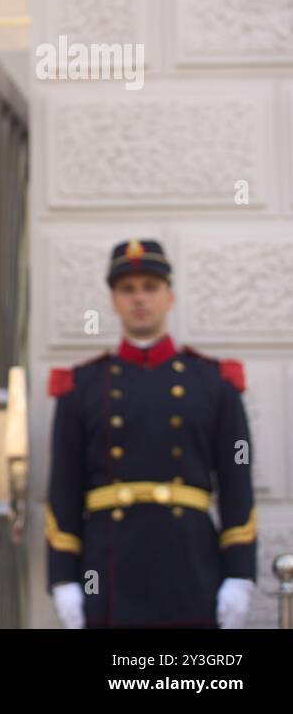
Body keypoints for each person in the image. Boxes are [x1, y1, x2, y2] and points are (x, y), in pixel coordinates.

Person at [46, 239, 256, 628]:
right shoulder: (82, 386)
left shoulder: (213, 382)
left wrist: (240, 574)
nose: (139, 298)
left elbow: (236, 480)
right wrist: (63, 579)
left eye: (150, 287)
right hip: (108, 567)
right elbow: (63, 487)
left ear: (169, 296)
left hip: (191, 563)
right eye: (127, 289)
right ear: (113, 300)